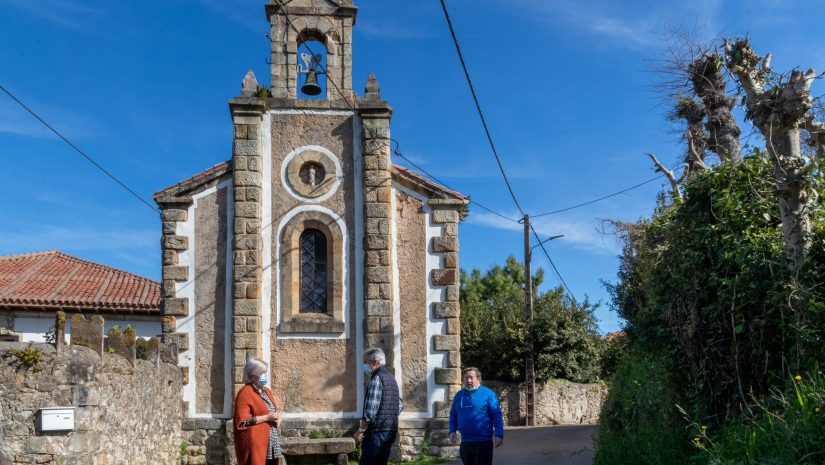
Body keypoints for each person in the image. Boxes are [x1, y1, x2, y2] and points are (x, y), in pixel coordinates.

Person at [353, 347, 404, 465]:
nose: (363, 365)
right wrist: (389, 416)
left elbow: (370, 411)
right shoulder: (391, 379)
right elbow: (400, 405)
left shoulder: (376, 379)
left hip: (377, 432)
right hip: (390, 430)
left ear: (374, 362)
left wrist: (360, 431)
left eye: (365, 362)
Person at [449, 367, 504, 465]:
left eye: (471, 377)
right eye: (466, 378)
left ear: (478, 379)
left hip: (483, 442)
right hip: (465, 442)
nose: (468, 380)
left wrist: (499, 434)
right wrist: (452, 430)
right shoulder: (459, 395)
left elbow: (496, 415)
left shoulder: (488, 394)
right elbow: (453, 414)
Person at [234, 358, 283, 465]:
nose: (265, 375)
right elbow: (243, 422)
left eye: (266, 372)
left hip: (271, 443)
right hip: (256, 444)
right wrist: (267, 418)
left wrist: (277, 418)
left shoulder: (267, 392)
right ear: (251, 376)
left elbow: (272, 410)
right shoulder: (245, 393)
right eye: (262, 373)